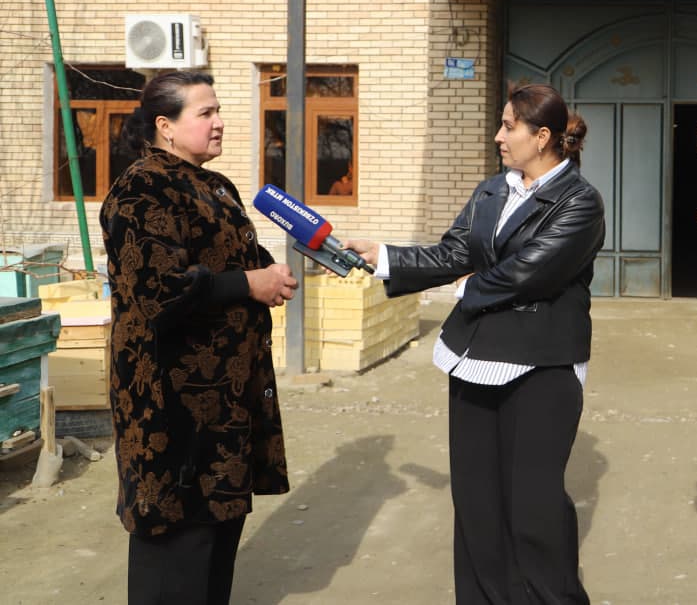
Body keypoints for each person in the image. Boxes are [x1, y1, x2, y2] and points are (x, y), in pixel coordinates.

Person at [344, 83, 604, 604]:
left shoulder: (579, 201)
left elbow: (528, 273)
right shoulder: (491, 191)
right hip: (473, 360)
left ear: (543, 136)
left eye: (509, 126)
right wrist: (386, 256)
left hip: (540, 366)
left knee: (534, 510)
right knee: (478, 504)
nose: (498, 136)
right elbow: (453, 251)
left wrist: (465, 288)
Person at [100, 70, 297, 605]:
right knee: (176, 549)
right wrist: (247, 283)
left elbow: (235, 264)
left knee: (216, 547)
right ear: (165, 125)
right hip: (172, 410)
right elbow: (157, 293)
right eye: (205, 113)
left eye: (218, 110)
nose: (219, 122)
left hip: (226, 407)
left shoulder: (216, 187)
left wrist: (269, 275)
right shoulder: (142, 189)